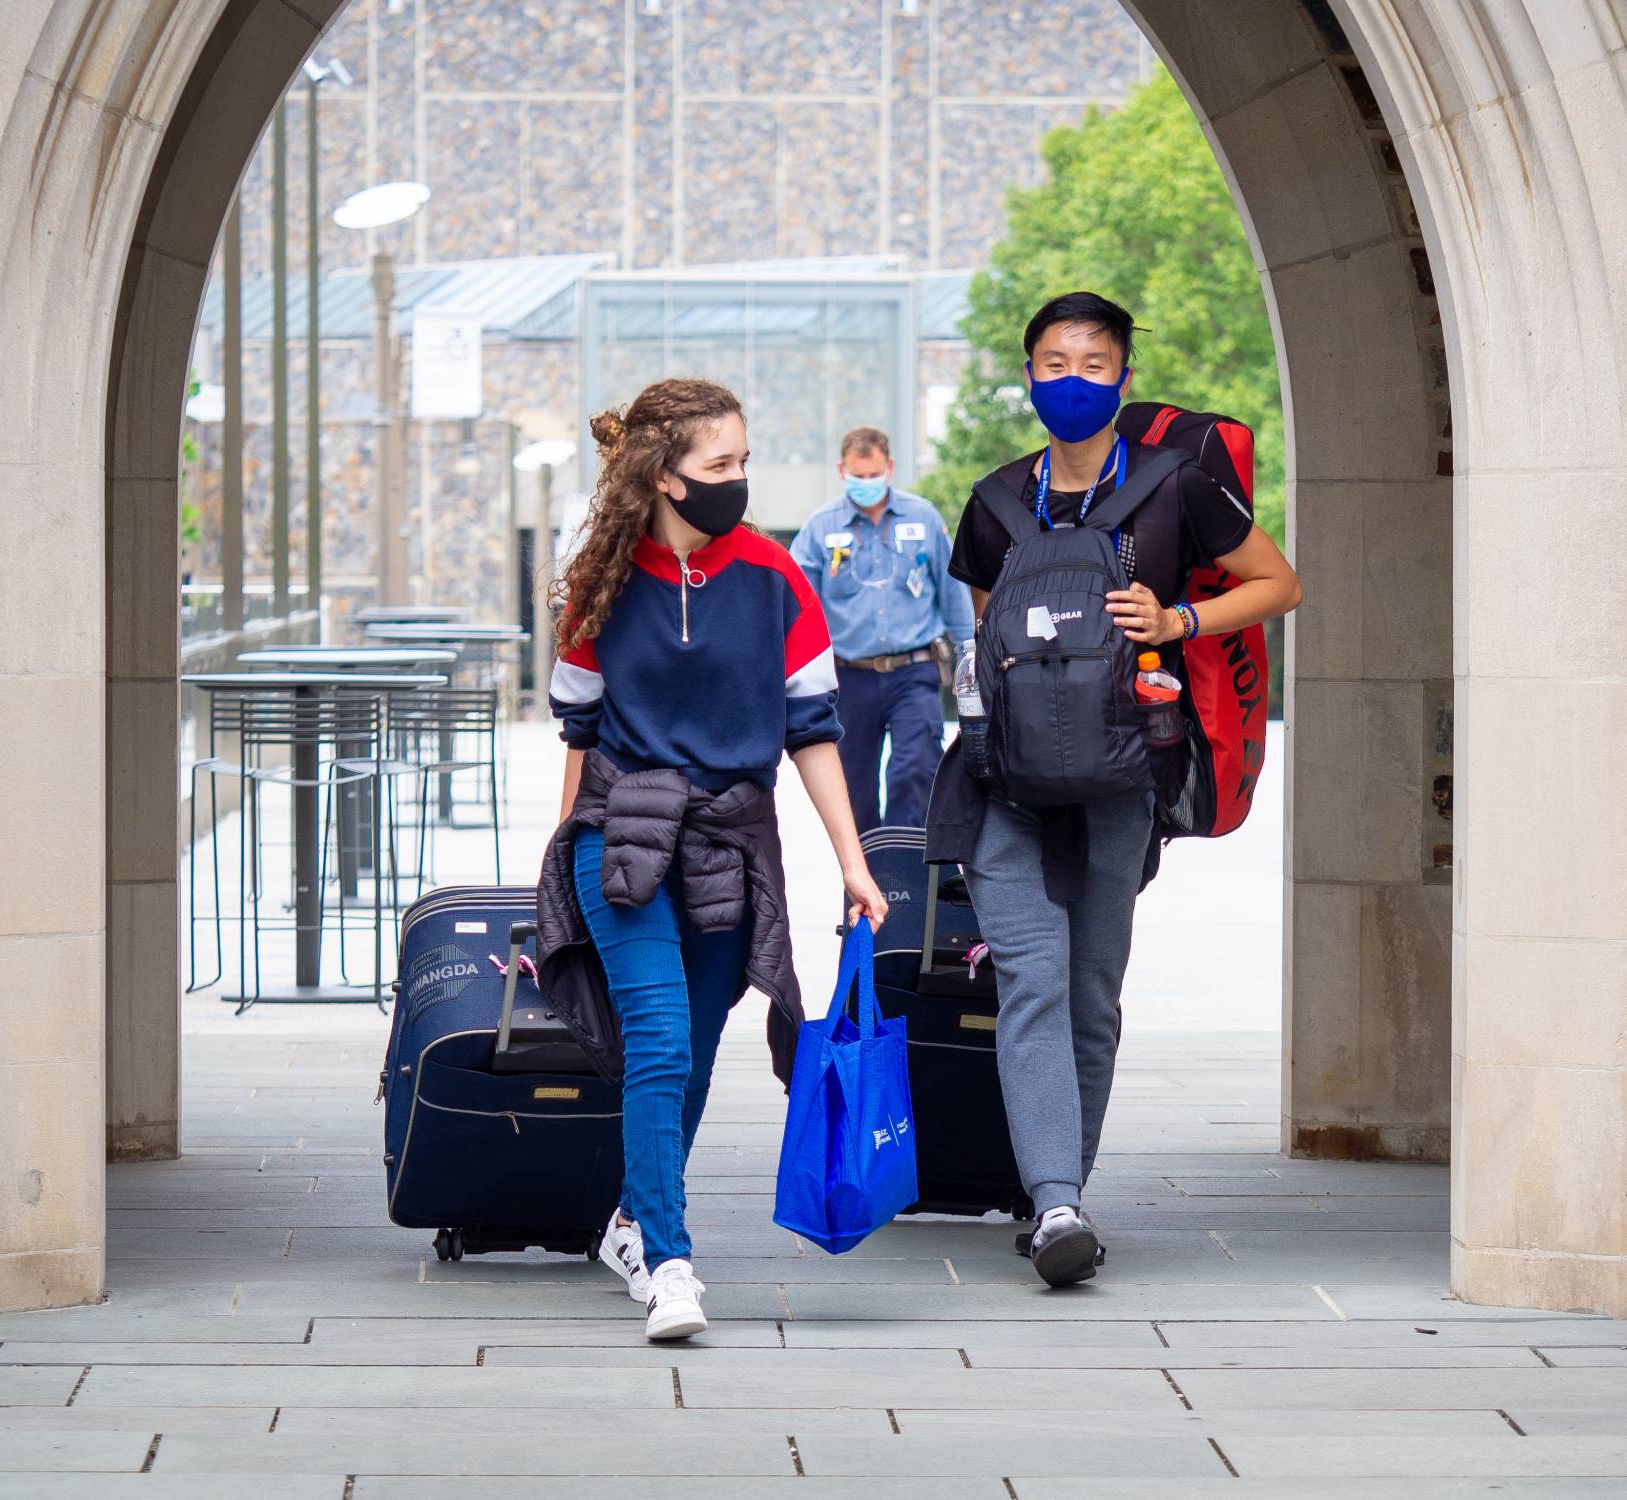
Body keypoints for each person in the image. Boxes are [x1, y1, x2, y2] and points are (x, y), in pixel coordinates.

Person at [929, 292, 1301, 1287]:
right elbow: (984, 641)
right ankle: (1054, 1204)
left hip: (1121, 780)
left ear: (1125, 377)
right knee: (1035, 984)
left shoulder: (1180, 487)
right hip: (1005, 786)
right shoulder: (997, 500)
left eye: (1093, 363)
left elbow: (1278, 584)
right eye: (1053, 362)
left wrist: (1180, 620)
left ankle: (1063, 1193)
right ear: (1028, 376)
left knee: (1091, 994)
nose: (1072, 380)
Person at [545, 378, 888, 1341]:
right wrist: (559, 850)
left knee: (689, 1055)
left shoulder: (777, 580)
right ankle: (669, 1262)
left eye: (744, 460)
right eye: (721, 466)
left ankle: (629, 1220)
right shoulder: (600, 586)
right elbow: (577, 728)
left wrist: (853, 864)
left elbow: (812, 731)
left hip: (729, 847)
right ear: (664, 476)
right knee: (656, 1040)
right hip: (620, 839)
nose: (740, 480)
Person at [790, 426, 974, 833]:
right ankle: (865, 879)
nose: (867, 485)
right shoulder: (820, 529)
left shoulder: (923, 518)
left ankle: (905, 867)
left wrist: (969, 664)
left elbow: (953, 595)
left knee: (916, 769)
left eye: (875, 476)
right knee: (852, 785)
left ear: (889, 468)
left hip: (914, 671)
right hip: (848, 677)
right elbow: (798, 610)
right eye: (859, 477)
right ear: (842, 470)